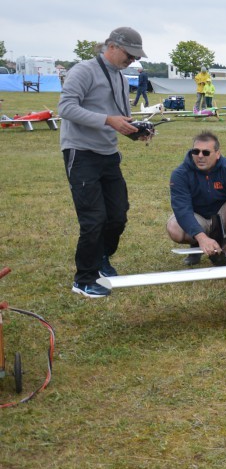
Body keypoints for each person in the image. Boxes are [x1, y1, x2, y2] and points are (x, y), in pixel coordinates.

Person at [58, 27, 151, 297]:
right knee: (93, 218)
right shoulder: (83, 70)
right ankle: (84, 279)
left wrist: (136, 131)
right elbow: (65, 108)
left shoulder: (121, 77)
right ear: (111, 46)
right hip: (81, 152)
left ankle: (100, 258)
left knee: (118, 215)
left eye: (136, 56)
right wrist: (107, 120)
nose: (132, 60)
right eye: (129, 54)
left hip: (108, 155)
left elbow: (121, 116)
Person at [167, 131, 226, 265]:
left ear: (217, 154)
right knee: (174, 228)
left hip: (222, 216)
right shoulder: (180, 174)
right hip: (197, 217)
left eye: (206, 152)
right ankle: (196, 244)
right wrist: (201, 238)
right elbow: (182, 209)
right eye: (196, 151)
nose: (200, 156)